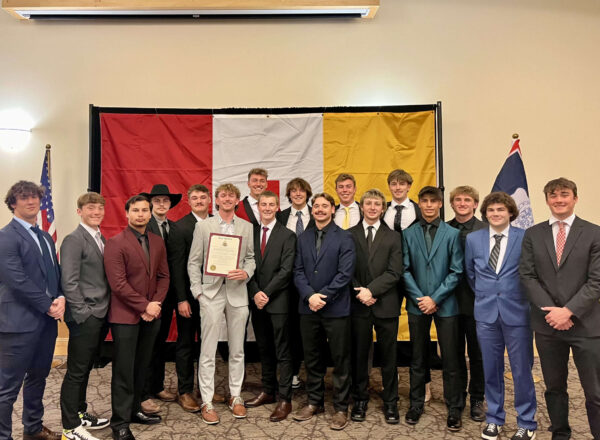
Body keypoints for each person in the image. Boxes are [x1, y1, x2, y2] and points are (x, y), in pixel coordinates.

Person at [520, 177, 600, 440]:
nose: (559, 200)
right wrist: (553, 312)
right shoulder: (533, 234)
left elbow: (596, 281)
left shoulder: (594, 233)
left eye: (564, 194)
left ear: (575, 198)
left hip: (586, 325)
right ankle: (560, 433)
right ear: (547, 200)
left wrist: (568, 311)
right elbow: (528, 277)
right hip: (547, 326)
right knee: (554, 387)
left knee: (595, 391)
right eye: (553, 195)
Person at [466, 192, 537, 440]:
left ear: (510, 213)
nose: (496, 214)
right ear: (485, 213)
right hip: (485, 314)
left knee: (521, 369)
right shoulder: (473, 239)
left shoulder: (525, 237)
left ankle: (526, 422)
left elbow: (531, 273)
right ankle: (494, 418)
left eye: (501, 210)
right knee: (491, 368)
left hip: (517, 312)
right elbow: (471, 274)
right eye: (491, 210)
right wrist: (487, 296)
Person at [0, 180, 64, 440]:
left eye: (34, 197)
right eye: (24, 198)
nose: (31, 201)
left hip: (45, 323)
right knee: (7, 387)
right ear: (13, 204)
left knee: (38, 377)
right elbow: (17, 280)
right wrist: (48, 305)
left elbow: (53, 273)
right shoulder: (5, 237)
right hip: (17, 323)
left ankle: (33, 429)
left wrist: (60, 296)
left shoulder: (45, 236)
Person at [187, 183, 255, 425]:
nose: (227, 199)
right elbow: (193, 261)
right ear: (216, 200)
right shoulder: (204, 226)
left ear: (237, 200)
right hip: (211, 294)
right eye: (223, 195)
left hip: (237, 294)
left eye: (231, 196)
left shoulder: (246, 227)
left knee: (237, 350)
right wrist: (198, 293)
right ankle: (206, 400)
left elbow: (250, 258)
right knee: (207, 352)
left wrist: (246, 272)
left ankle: (235, 396)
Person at [104, 195, 169, 440]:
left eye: (145, 210)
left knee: (141, 367)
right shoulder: (116, 242)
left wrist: (156, 305)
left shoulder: (157, 241)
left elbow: (164, 277)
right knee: (124, 370)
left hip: (151, 316)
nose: (140, 214)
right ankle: (119, 422)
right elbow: (118, 284)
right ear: (127, 214)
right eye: (135, 210)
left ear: (150, 214)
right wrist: (144, 306)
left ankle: (133, 411)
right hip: (125, 317)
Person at [402, 186, 464, 432]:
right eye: (424, 201)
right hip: (418, 305)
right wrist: (420, 298)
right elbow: (404, 269)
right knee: (417, 357)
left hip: (446, 304)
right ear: (419, 204)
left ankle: (454, 407)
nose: (428, 205)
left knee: (451, 358)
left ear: (440, 204)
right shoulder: (408, 233)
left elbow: (456, 270)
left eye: (433, 201)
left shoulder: (452, 233)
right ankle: (416, 403)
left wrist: (435, 298)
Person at [292, 192, 355, 431]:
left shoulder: (345, 237)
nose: (319, 209)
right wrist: (310, 296)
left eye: (324, 206)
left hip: (336, 308)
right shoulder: (303, 237)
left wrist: (323, 296)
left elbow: (345, 274)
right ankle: (314, 402)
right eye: (316, 206)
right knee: (312, 358)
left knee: (340, 359)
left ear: (332, 210)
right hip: (308, 308)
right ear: (312, 210)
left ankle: (340, 407)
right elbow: (297, 271)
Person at [349, 189, 403, 424]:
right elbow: (345, 270)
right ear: (361, 207)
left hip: (386, 304)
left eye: (377, 204)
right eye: (368, 203)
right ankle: (360, 400)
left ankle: (390, 402)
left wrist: (373, 290)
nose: (372, 207)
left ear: (383, 208)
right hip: (358, 303)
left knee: (389, 357)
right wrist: (361, 291)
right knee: (359, 356)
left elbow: (395, 271)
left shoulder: (393, 237)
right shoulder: (348, 235)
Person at [60, 192, 111, 440]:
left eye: (100, 208)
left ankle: (79, 413)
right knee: (76, 372)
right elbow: (68, 282)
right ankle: (70, 427)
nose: (96, 212)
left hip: (99, 312)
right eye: (91, 208)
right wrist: (83, 314)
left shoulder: (100, 237)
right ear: (79, 211)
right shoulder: (73, 239)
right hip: (85, 316)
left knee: (86, 369)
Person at [246, 191, 296, 421]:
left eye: (271, 204)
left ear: (277, 207)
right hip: (257, 301)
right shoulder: (250, 233)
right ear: (258, 208)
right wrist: (256, 291)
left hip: (278, 301)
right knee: (264, 348)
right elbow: (246, 265)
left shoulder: (288, 235)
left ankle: (285, 399)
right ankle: (268, 390)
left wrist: (266, 292)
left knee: (283, 351)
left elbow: (287, 270)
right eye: (263, 204)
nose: (266, 207)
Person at [169, 184, 217, 412]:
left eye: (203, 197)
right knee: (187, 344)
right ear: (189, 202)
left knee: (208, 344)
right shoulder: (180, 227)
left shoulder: (218, 223)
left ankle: (205, 389)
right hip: (189, 297)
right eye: (195, 198)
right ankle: (185, 391)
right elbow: (177, 267)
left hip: (214, 296)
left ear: (210, 200)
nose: (199, 201)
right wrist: (181, 299)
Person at [140, 184, 182, 413]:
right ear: (151, 204)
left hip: (170, 294)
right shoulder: (144, 227)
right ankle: (143, 392)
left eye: (165, 200)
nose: (162, 204)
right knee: (148, 345)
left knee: (161, 343)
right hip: (151, 296)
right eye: (157, 200)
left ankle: (157, 386)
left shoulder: (174, 228)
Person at [448, 185, 486, 422]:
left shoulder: (486, 229)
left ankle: (477, 398)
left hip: (478, 301)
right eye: (458, 200)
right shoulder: (444, 229)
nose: (462, 203)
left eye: (467, 200)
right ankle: (456, 400)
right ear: (452, 204)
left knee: (478, 353)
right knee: (453, 354)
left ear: (475, 204)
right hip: (449, 301)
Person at [276, 177, 315, 389]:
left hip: (310, 283)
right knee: (287, 330)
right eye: (293, 191)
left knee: (307, 331)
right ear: (289, 194)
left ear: (307, 194)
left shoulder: (318, 214)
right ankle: (289, 374)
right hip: (285, 283)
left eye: (301, 191)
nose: (297, 194)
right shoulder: (280, 216)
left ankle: (310, 375)